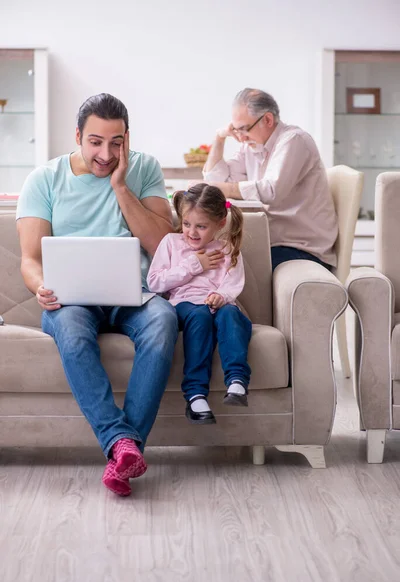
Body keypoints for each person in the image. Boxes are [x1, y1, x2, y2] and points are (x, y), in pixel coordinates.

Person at [16, 93, 178, 497]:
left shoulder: (143, 169)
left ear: (127, 138)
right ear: (77, 136)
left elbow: (162, 245)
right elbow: (30, 259)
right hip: (71, 300)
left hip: (134, 296)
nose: (106, 154)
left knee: (164, 319)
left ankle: (122, 451)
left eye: (116, 143)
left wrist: (121, 187)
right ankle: (123, 445)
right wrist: (41, 287)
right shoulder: (44, 179)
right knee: (70, 327)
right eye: (95, 142)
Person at [147, 183, 252, 425]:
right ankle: (195, 395)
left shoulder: (226, 248)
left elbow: (233, 283)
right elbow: (155, 282)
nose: (192, 232)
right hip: (186, 306)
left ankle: (237, 382)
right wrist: (194, 265)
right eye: (186, 224)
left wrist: (222, 296)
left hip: (218, 304)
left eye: (201, 227)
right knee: (201, 316)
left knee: (231, 315)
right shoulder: (171, 243)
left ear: (220, 223)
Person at [203, 88, 338, 271]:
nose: (240, 137)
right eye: (236, 130)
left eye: (244, 129)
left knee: (228, 266)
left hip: (301, 248)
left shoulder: (294, 140)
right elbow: (217, 178)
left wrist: (217, 188)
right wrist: (219, 138)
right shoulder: (251, 146)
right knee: (215, 258)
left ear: (267, 120)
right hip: (273, 242)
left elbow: (271, 191)